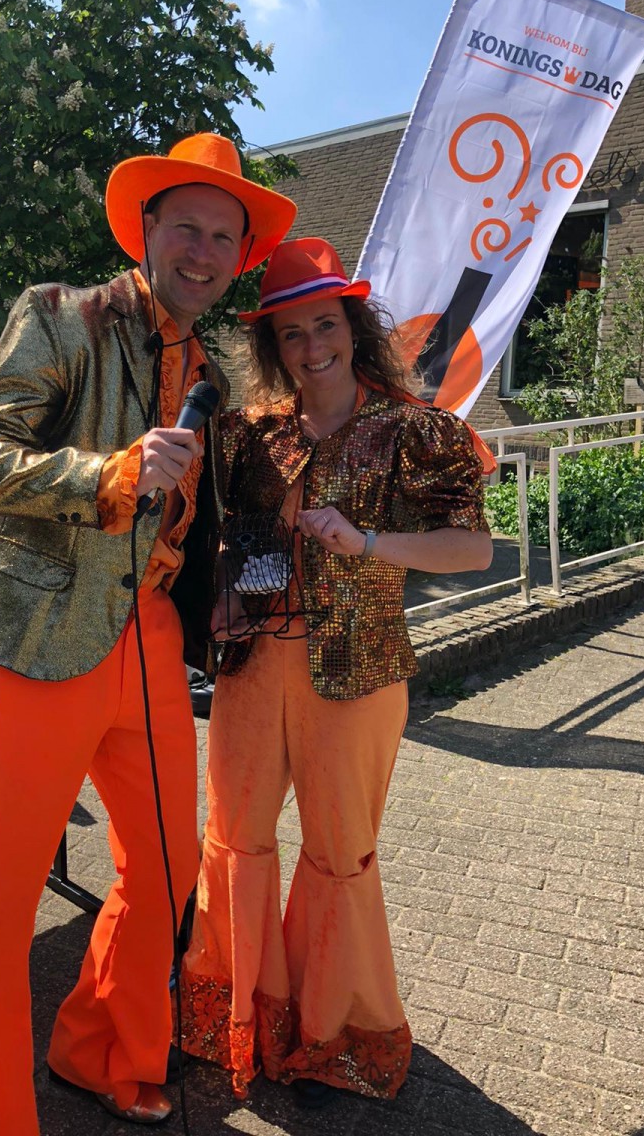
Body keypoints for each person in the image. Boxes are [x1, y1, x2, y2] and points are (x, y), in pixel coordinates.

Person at [0, 134, 296, 1135]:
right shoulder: (61, 316)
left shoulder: (221, 365)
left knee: (168, 871)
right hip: (41, 635)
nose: (205, 250)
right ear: (148, 231)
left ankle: (101, 1053)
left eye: (225, 235)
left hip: (153, 640)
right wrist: (104, 475)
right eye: (189, 227)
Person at [179, 237, 494, 1108]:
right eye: (290, 333)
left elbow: (473, 546)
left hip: (357, 676)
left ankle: (333, 1035)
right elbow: (241, 549)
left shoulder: (416, 431)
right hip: (252, 670)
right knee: (236, 838)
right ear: (272, 347)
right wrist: (229, 601)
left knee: (337, 855)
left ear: (353, 327)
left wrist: (371, 544)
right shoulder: (250, 437)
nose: (311, 345)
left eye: (325, 324)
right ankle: (238, 1018)